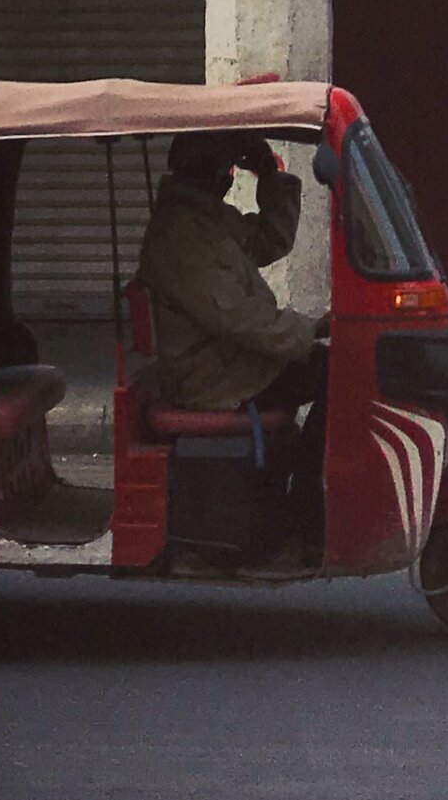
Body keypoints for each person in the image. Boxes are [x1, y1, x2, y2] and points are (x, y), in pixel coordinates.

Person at [134, 131, 328, 555]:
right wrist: (308, 331)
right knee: (334, 371)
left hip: (228, 364)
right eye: (226, 168)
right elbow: (239, 318)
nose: (226, 179)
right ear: (213, 174)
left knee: (331, 365)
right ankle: (309, 509)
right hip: (214, 379)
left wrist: (270, 176)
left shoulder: (204, 220)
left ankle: (304, 493)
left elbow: (271, 239)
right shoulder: (183, 233)